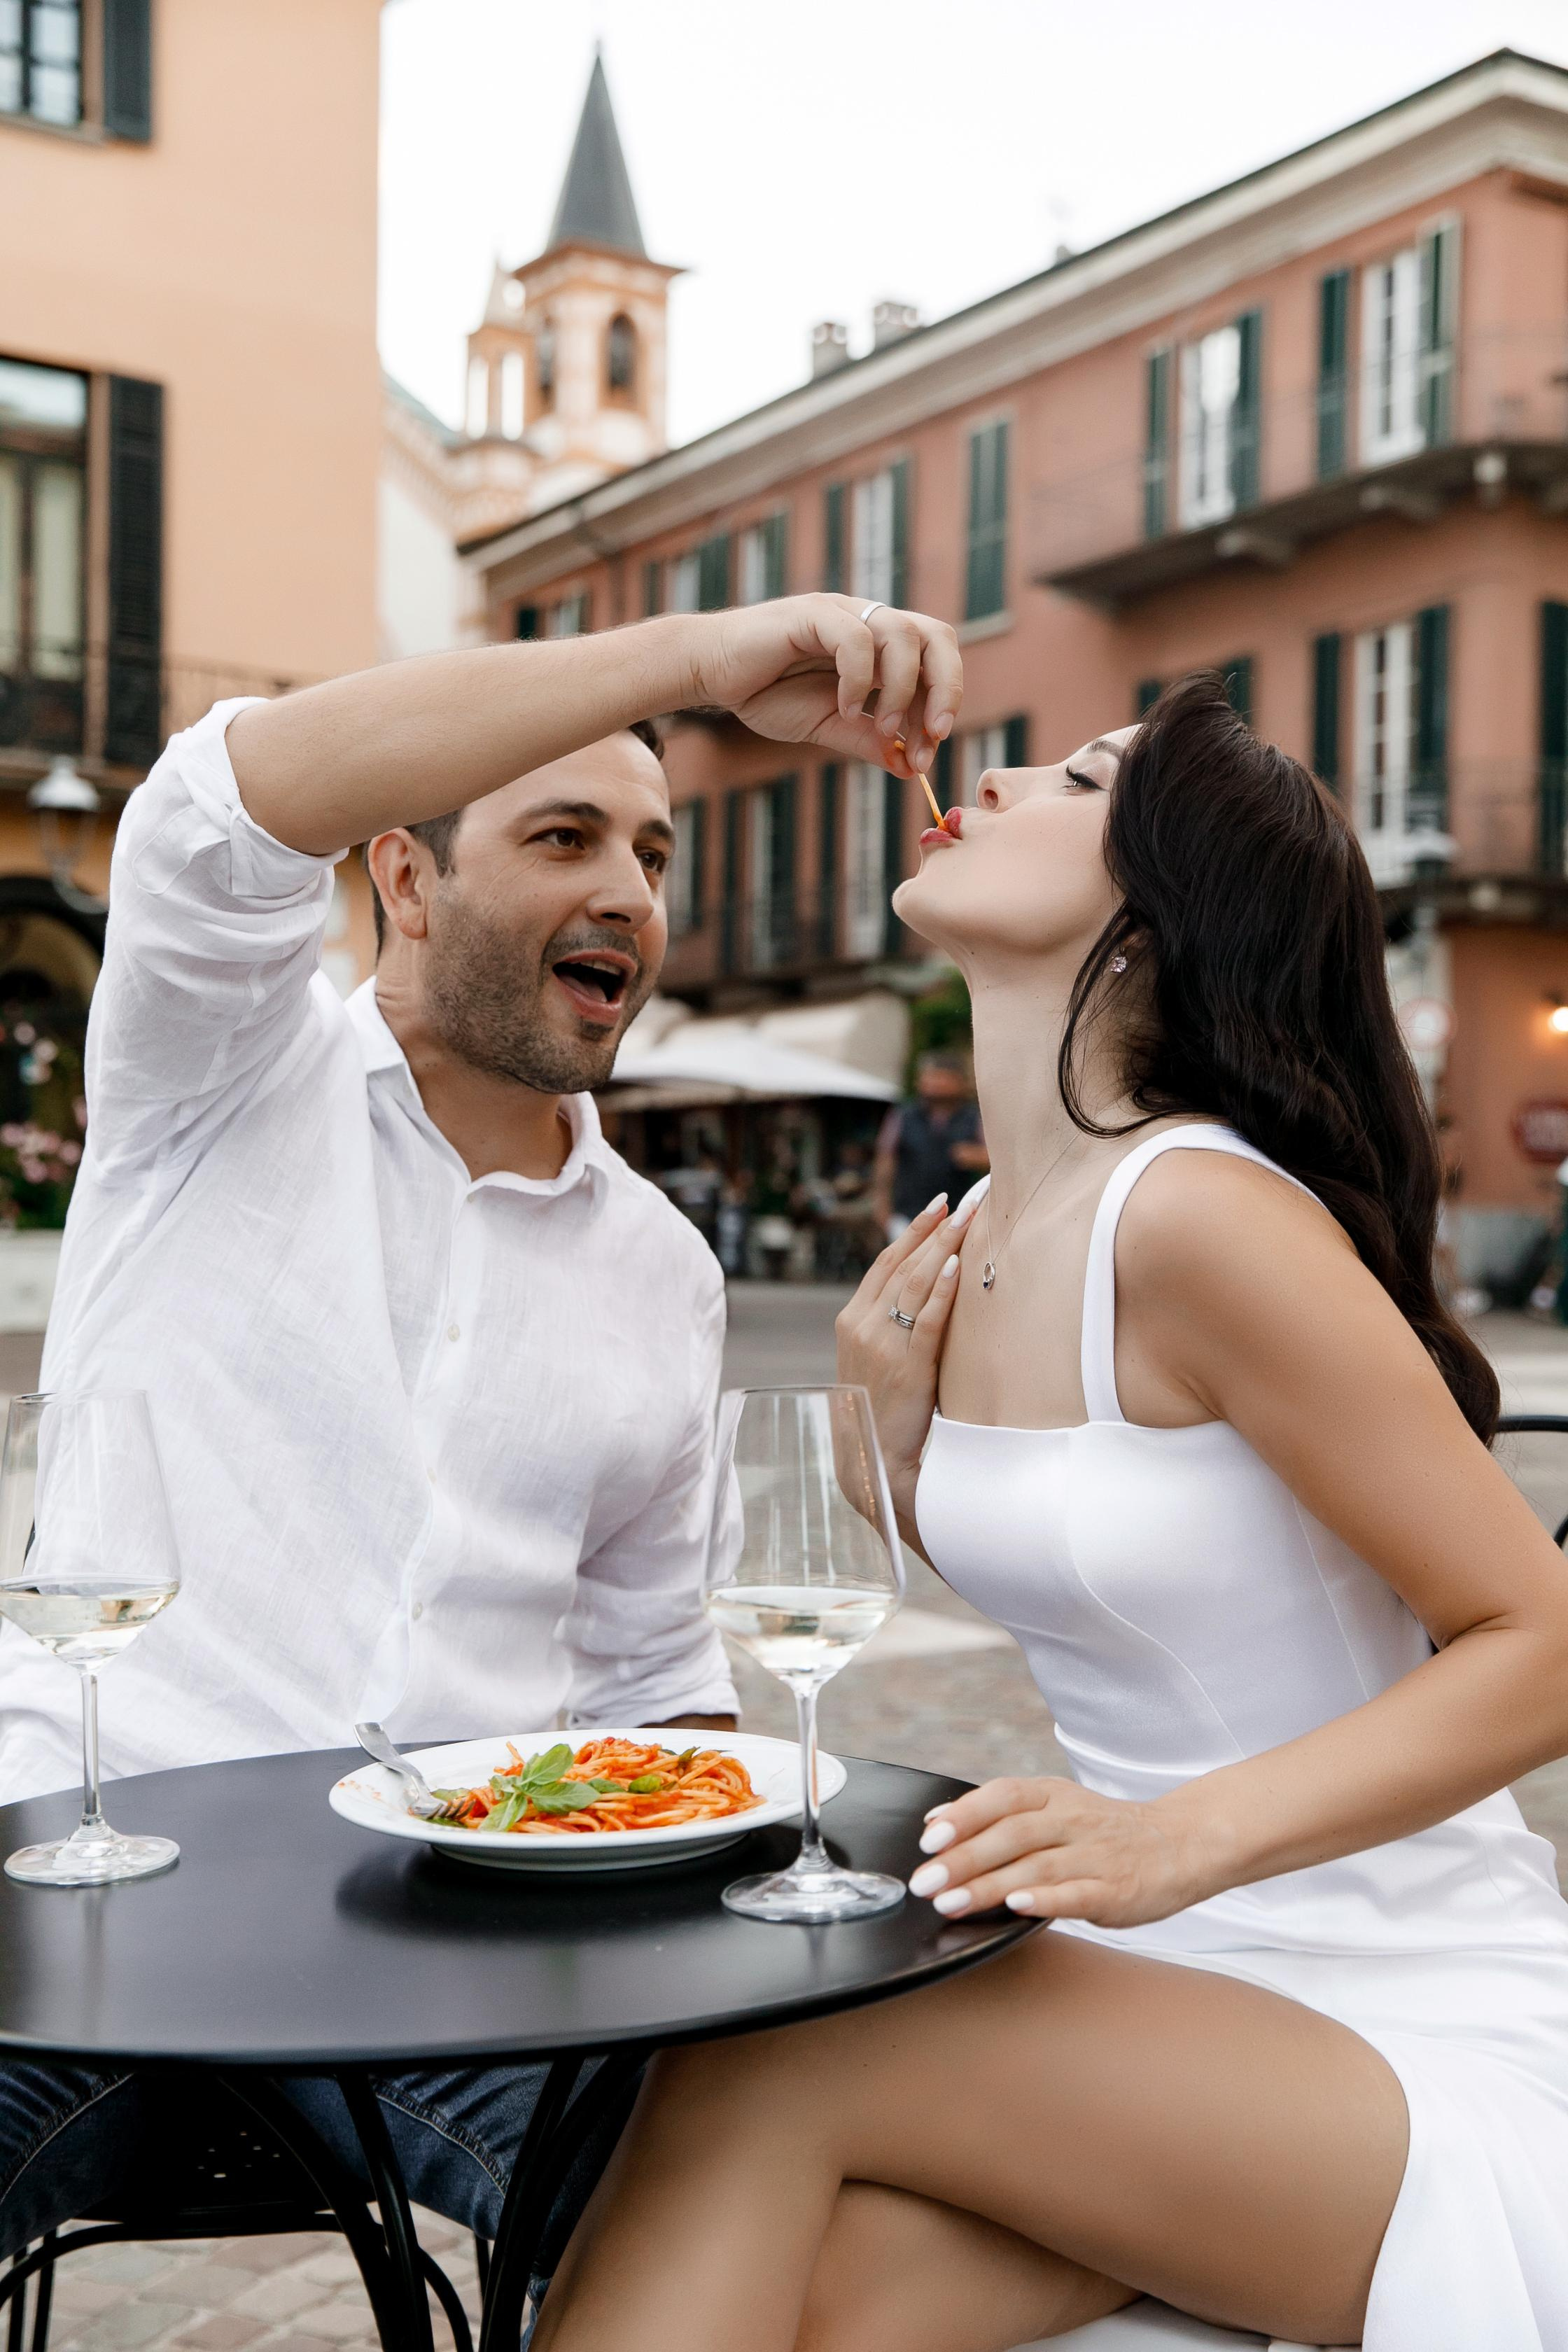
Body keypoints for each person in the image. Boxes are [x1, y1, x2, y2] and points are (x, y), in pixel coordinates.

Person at [531, 676, 1568, 2352]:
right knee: (800, 2296)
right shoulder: (993, 1228)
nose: (999, 775)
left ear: (1150, 923)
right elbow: (1126, 1575)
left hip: (1394, 2011)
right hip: (1157, 2006)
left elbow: (1541, 1644)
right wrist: (886, 1462)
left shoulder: (1200, 1217)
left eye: (1082, 781)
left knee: (777, 2037)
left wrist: (1170, 1841)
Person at [0, 596, 962, 2267]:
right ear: (407, 877)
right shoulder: (214, 1071)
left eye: (652, 854)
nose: (629, 894)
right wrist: (698, 664)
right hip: (93, 1893)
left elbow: (658, 1682)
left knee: (751, 2223)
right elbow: (212, 808)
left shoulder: (664, 1272)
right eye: (563, 835)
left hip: (453, 1945)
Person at [871, 1049, 988, 1237]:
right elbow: (886, 1158)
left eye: (943, 1077)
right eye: (931, 1077)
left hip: (960, 1215)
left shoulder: (975, 1117)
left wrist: (978, 1157)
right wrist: (881, 1205)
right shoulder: (903, 1115)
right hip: (907, 1214)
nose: (936, 1084)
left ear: (960, 1082)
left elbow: (995, 1159)